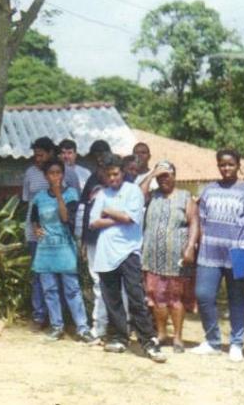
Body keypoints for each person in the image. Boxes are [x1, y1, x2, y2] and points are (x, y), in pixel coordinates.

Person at [88, 153, 165, 362]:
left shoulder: (133, 191)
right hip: (105, 254)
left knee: (136, 298)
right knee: (112, 299)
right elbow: (93, 223)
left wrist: (108, 212)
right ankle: (119, 337)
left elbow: (131, 218)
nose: (113, 178)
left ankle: (149, 342)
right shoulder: (103, 193)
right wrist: (117, 218)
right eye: (109, 175)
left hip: (128, 252)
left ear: (122, 172)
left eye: (116, 174)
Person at [191, 148, 244, 362]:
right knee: (203, 295)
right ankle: (213, 341)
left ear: (238, 165)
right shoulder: (209, 190)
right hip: (210, 251)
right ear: (218, 166)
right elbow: (201, 222)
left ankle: (236, 344)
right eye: (222, 164)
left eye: (230, 164)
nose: (226, 168)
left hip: (239, 252)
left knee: (237, 298)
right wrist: (201, 245)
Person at [30, 157, 93, 343]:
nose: (55, 176)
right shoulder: (39, 197)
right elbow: (34, 217)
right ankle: (57, 326)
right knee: (49, 290)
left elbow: (67, 219)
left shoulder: (71, 194)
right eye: (51, 173)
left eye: (58, 173)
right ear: (45, 175)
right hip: (45, 249)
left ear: (63, 175)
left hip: (65, 247)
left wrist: (58, 195)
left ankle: (82, 328)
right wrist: (36, 229)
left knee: (72, 290)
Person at [140, 161, 198, 353]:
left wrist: (190, 247)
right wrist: (150, 175)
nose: (163, 179)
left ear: (174, 176)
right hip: (153, 257)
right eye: (160, 176)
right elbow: (138, 195)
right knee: (156, 298)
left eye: (167, 175)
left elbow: (194, 223)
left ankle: (178, 337)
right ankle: (162, 333)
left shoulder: (185, 197)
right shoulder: (152, 196)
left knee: (176, 298)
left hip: (177, 258)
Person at [22, 136, 79, 329]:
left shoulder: (68, 174)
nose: (37, 158)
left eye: (41, 155)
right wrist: (35, 228)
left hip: (62, 237)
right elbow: (28, 203)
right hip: (38, 235)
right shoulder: (30, 173)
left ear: (50, 154)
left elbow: (73, 209)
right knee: (41, 278)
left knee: (67, 280)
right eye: (35, 155)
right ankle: (41, 317)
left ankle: (68, 319)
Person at [77, 139, 113, 339]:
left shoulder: (121, 184)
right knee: (97, 282)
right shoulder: (91, 181)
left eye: (103, 157)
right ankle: (99, 327)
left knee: (115, 283)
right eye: (97, 159)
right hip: (92, 239)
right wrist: (83, 240)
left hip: (114, 241)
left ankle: (118, 325)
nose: (100, 161)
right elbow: (84, 211)